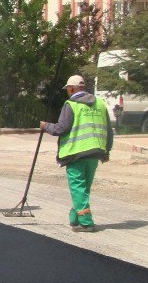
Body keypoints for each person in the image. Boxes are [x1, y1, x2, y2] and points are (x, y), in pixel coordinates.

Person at [40, 74, 112, 232]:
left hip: (76, 153)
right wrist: (107, 151)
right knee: (83, 188)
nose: (67, 92)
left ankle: (86, 222)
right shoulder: (100, 103)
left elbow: (61, 128)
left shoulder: (70, 104)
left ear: (72, 88)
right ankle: (75, 218)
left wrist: (46, 126)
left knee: (78, 187)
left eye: (68, 89)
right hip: (95, 151)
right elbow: (108, 130)